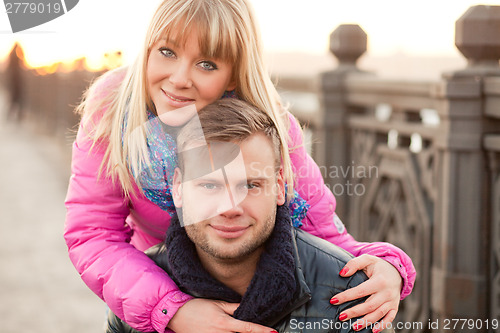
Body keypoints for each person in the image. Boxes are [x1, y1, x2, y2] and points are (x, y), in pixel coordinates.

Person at [64, 1, 415, 332]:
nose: (180, 78)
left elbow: (322, 228)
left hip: (252, 289)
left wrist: (388, 267)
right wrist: (172, 309)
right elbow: (93, 232)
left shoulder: (267, 126)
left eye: (207, 64)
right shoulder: (113, 111)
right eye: (167, 52)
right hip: (156, 283)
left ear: (233, 76)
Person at [107, 99, 376, 333]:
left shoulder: (348, 292)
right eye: (209, 185)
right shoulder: (138, 296)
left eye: (250, 185)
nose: (230, 207)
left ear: (280, 187)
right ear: (178, 189)